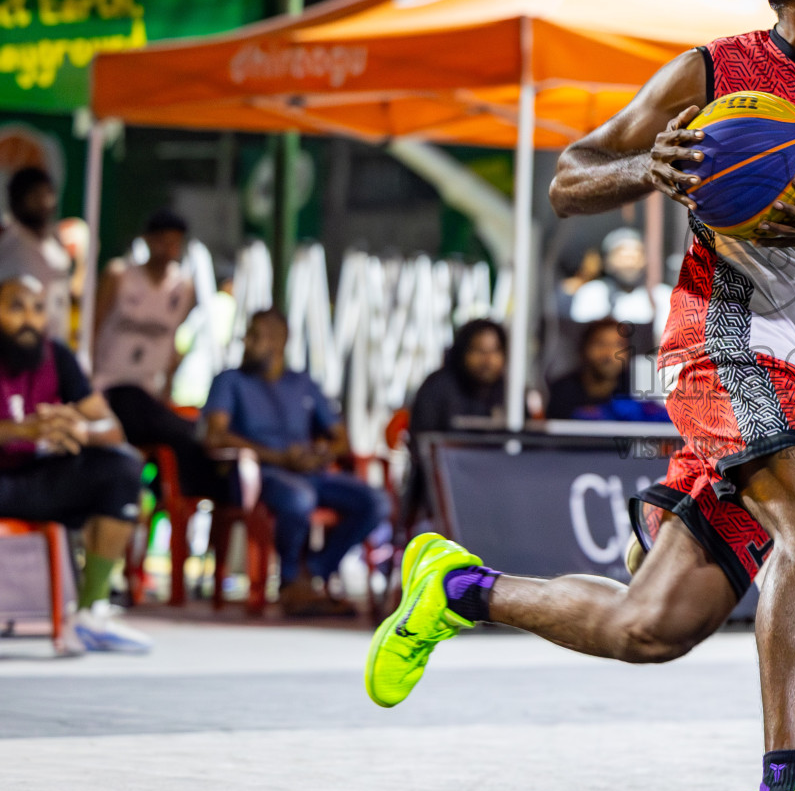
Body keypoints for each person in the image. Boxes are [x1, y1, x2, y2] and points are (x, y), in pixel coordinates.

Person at [365, 0, 795, 791]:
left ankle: (459, 588)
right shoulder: (715, 74)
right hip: (723, 341)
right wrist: (643, 172)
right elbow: (572, 177)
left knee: (652, 626)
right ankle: (786, 790)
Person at [0, 270, 152, 652]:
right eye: (15, 307)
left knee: (122, 467)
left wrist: (80, 430)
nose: (29, 319)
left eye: (37, 309)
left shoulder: (57, 357)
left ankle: (87, 615)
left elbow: (111, 427)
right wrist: (24, 431)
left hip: (38, 479)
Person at [204, 309, 388, 617]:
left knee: (376, 502)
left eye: (255, 336)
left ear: (279, 342)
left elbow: (340, 437)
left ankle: (311, 574)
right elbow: (215, 436)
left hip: (311, 472)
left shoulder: (303, 383)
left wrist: (320, 453)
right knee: (299, 497)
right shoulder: (230, 381)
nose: (246, 343)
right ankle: (290, 579)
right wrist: (278, 457)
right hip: (262, 474)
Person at [94, 210, 230, 504]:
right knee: (185, 431)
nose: (167, 250)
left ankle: (170, 495)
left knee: (181, 433)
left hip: (148, 394)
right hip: (110, 388)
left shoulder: (182, 288)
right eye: (162, 242)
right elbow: (93, 329)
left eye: (174, 244)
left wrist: (166, 389)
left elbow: (171, 345)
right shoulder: (120, 276)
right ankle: (188, 491)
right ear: (148, 241)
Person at [404, 318, 508, 527]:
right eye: (479, 351)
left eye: (494, 351)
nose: (488, 360)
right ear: (462, 352)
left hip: (500, 490)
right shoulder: (437, 387)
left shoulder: (509, 392)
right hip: (442, 491)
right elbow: (421, 445)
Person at [568, 227, 670, 356]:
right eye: (622, 257)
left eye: (635, 256)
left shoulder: (662, 295)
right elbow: (584, 339)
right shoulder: (591, 293)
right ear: (607, 261)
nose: (629, 263)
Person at [545, 318, 669, 422]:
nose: (609, 354)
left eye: (618, 345)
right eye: (600, 344)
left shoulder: (639, 394)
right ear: (583, 348)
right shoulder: (562, 391)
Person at [0, 168, 72, 341]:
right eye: (34, 195)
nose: (44, 202)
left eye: (47, 193)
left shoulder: (55, 244)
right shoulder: (9, 247)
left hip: (53, 348)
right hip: (17, 350)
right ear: (17, 199)